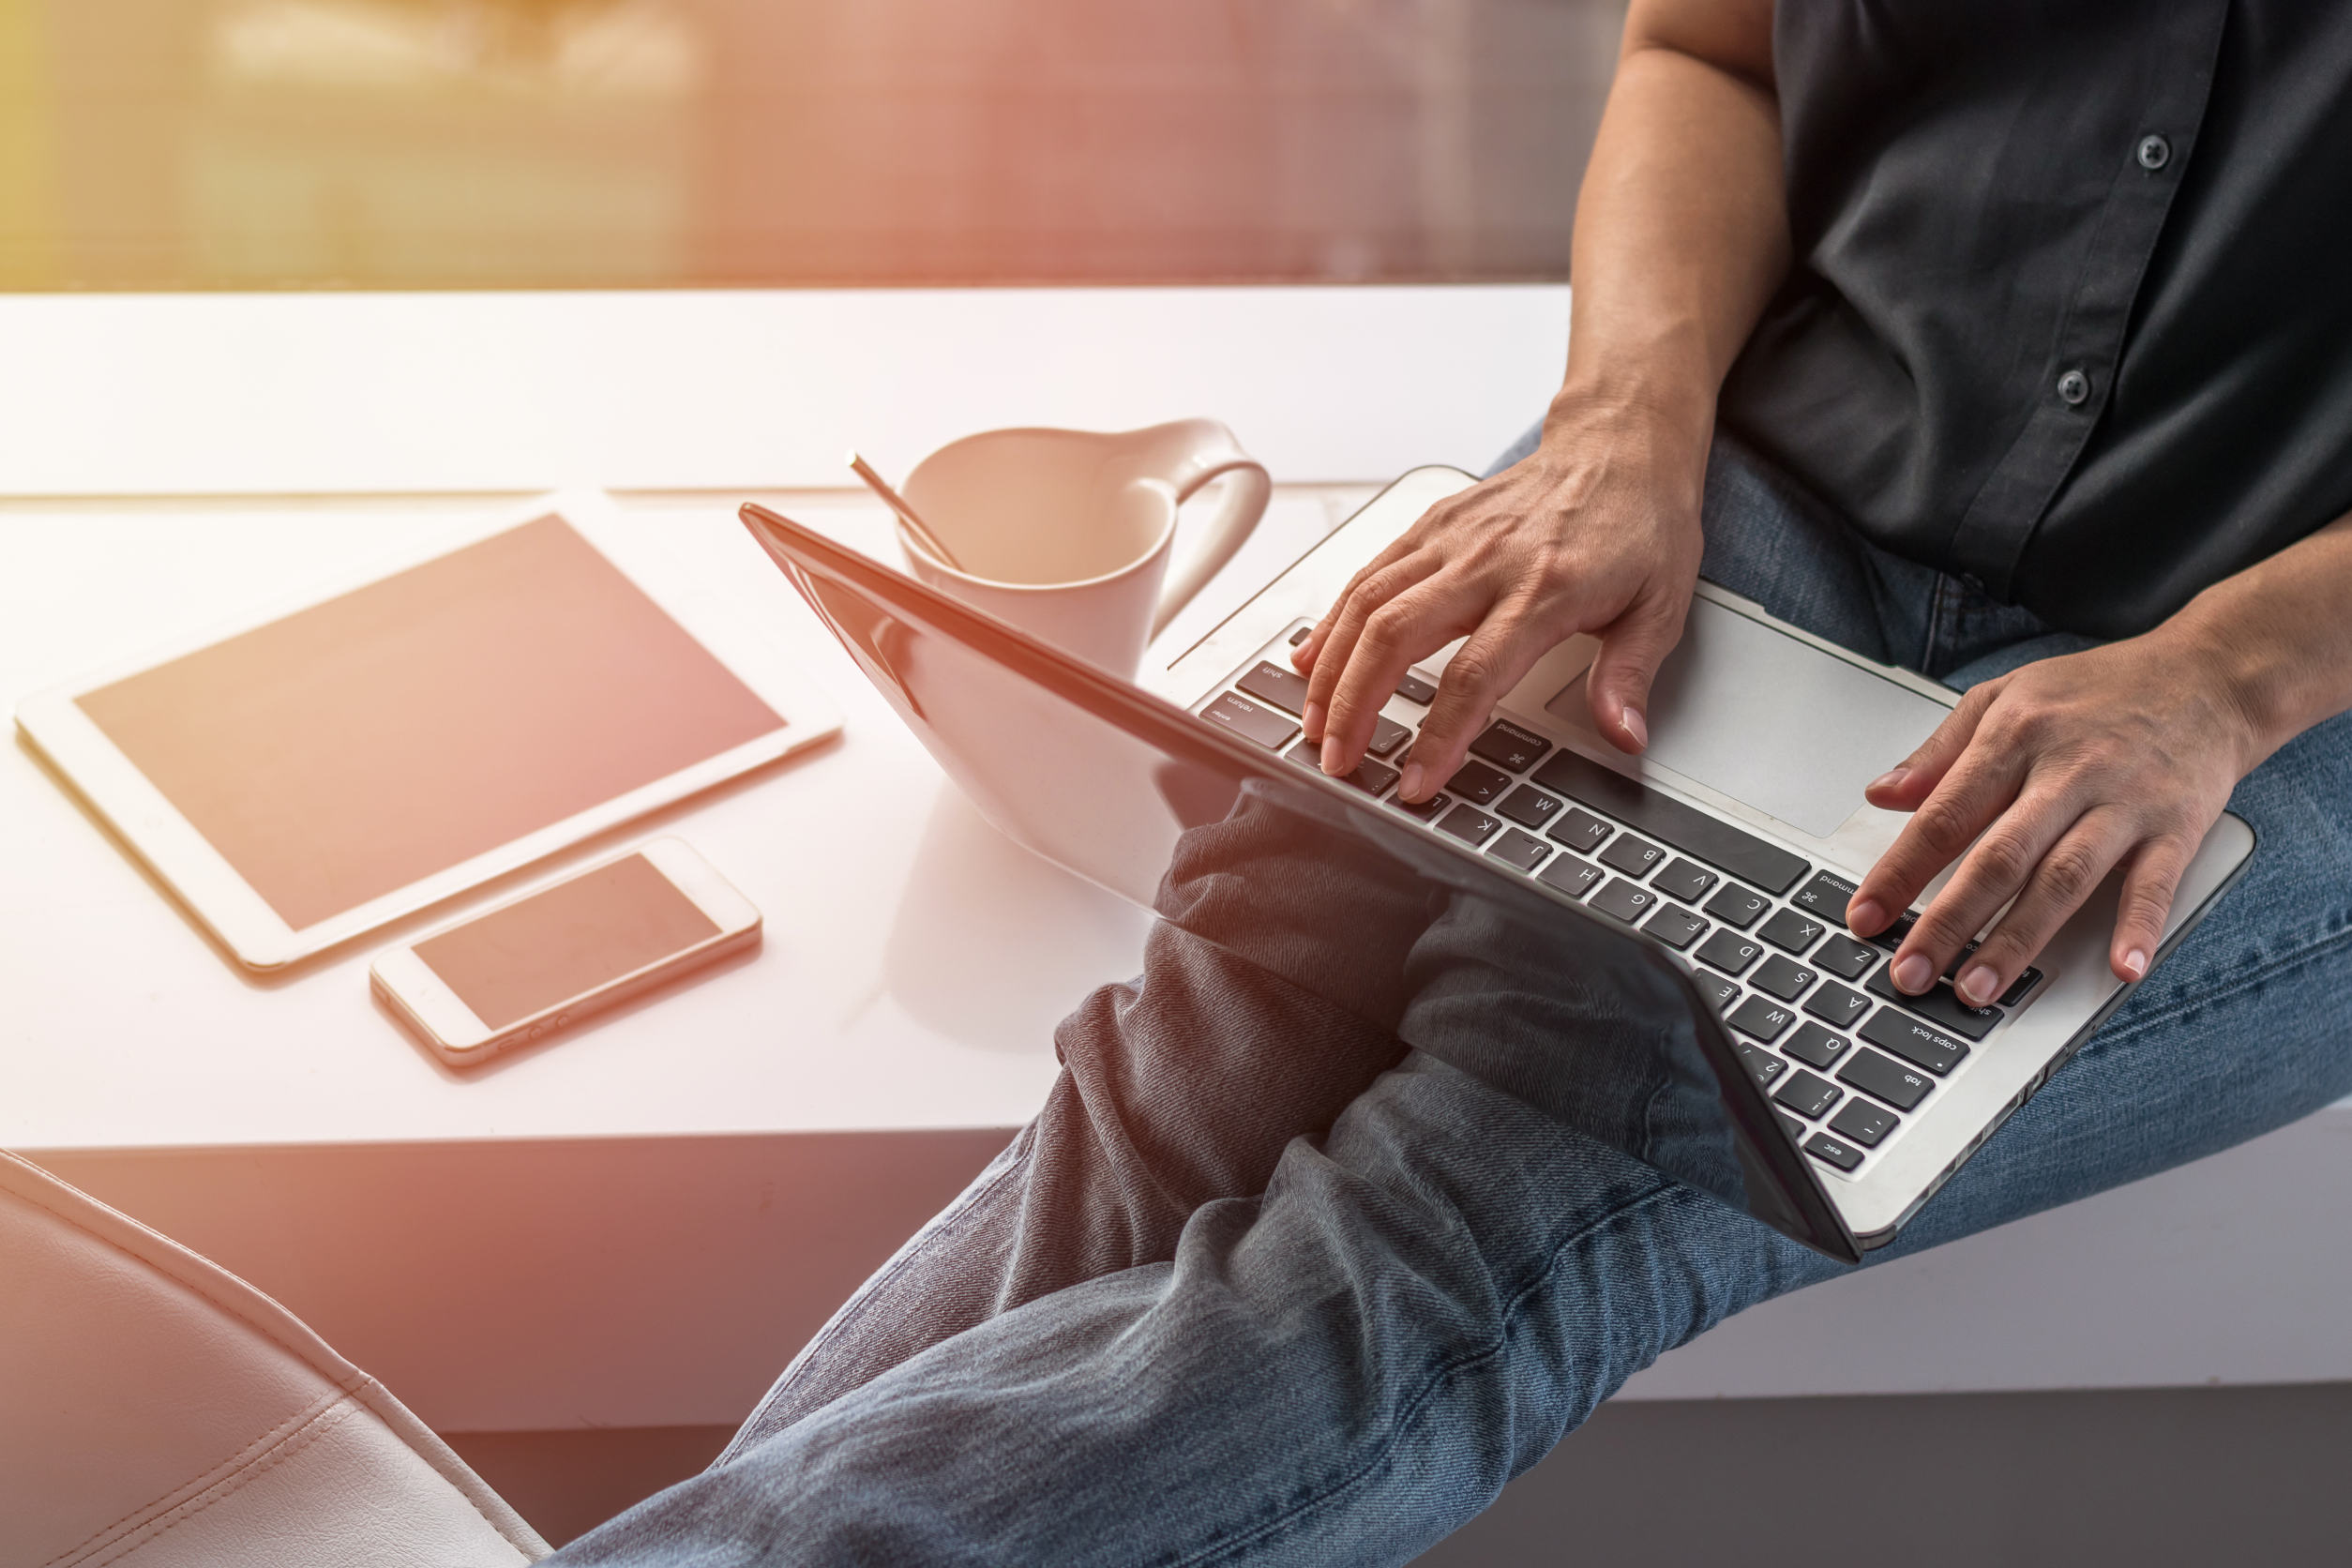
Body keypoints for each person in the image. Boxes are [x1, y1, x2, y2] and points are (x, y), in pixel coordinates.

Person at [560, 2, 2352, 1560]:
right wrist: (1618, 422)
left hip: (2288, 693)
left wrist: (2227, 673)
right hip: (1778, 472)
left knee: (1497, 1207)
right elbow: (1706, 49)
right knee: (1220, 1036)